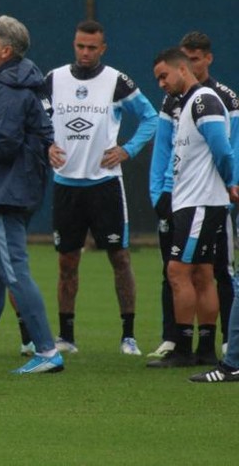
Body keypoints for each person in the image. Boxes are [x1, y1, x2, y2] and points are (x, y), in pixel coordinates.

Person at [43, 20, 157, 356]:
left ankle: (129, 336)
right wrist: (45, 144)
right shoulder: (53, 79)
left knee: (120, 257)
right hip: (66, 185)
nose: (85, 52)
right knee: (67, 262)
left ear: (103, 48)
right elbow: (34, 117)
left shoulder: (116, 81)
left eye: (92, 47)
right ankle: (66, 336)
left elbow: (150, 117)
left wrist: (128, 149)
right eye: (80, 46)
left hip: (105, 184)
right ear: (74, 44)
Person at [0, 15, 62, 374]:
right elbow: (42, 130)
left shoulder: (9, 89)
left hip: (4, 192)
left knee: (15, 271)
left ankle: (47, 351)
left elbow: (3, 144)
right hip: (9, 188)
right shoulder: (18, 82)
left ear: (5, 51)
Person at [147, 48, 236, 368]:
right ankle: (206, 349)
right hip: (195, 201)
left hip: (200, 202)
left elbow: (223, 150)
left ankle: (184, 349)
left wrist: (230, 182)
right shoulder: (186, 104)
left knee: (177, 271)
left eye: (164, 76)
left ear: (182, 69)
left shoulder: (203, 101)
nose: (161, 83)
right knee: (201, 273)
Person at [178, 32, 239, 355]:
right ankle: (181, 340)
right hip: (188, 196)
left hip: (214, 196)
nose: (190, 65)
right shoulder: (177, 98)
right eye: (185, 59)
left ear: (208, 58)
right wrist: (161, 189)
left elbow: (230, 147)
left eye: (196, 59)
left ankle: (228, 339)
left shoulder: (221, 97)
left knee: (220, 269)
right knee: (190, 270)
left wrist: (232, 182)